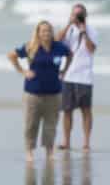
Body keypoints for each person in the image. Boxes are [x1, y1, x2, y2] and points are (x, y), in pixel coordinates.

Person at [8, 20, 72, 162]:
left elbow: (70, 55)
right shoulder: (31, 47)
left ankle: (49, 152)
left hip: (54, 93)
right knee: (31, 124)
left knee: (51, 125)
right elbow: (11, 55)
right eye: (43, 31)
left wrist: (64, 71)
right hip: (33, 93)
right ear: (38, 33)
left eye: (48, 30)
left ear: (52, 32)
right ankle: (29, 152)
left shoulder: (59, 47)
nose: (46, 33)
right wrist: (22, 71)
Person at [56, 3, 99, 152]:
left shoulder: (92, 30)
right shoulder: (68, 29)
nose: (77, 17)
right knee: (67, 110)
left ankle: (86, 142)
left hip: (84, 76)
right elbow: (56, 41)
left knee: (86, 110)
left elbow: (91, 49)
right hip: (68, 74)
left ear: (85, 16)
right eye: (75, 14)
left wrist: (84, 32)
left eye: (80, 14)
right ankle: (66, 141)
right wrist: (69, 23)